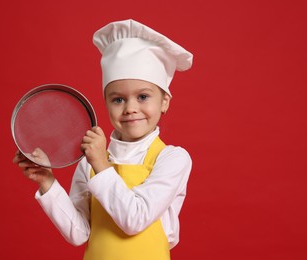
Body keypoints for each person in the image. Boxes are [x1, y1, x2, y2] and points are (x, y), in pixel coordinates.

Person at [13, 19, 193, 260]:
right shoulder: (89, 162)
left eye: (142, 96)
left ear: (164, 102)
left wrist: (101, 164)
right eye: (118, 99)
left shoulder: (172, 158)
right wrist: (47, 182)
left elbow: (135, 219)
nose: (130, 108)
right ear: (106, 102)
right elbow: (78, 233)